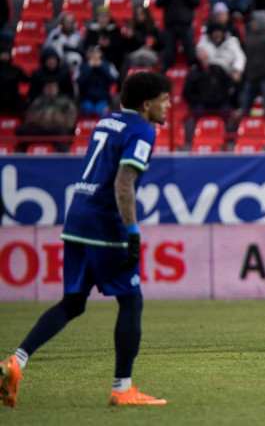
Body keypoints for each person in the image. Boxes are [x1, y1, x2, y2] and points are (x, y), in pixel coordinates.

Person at [0, 71, 171, 407]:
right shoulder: (143, 130)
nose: (168, 106)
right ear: (146, 104)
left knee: (73, 303)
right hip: (105, 224)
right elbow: (123, 183)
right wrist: (132, 233)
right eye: (164, 100)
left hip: (77, 218)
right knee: (131, 301)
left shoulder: (106, 122)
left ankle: (15, 362)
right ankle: (122, 389)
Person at [156, 0, 201, 70]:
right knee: (168, 54)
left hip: (186, 24)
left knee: (190, 52)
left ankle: (193, 74)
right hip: (170, 25)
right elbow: (158, 3)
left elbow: (197, 2)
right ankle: (167, 75)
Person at [16, 80, 77, 152]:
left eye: (53, 87)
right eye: (48, 87)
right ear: (44, 89)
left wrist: (56, 119)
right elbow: (29, 117)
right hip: (39, 128)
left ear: (57, 88)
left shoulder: (65, 101)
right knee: (21, 130)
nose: (51, 89)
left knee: (62, 131)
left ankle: (63, 156)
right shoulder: (38, 101)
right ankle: (22, 155)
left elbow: (71, 118)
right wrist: (41, 119)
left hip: (56, 128)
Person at [183, 47, 234, 112]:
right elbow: (187, 92)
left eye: (205, 55)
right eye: (202, 55)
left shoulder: (218, 69)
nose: (205, 57)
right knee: (198, 109)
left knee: (226, 109)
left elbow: (228, 83)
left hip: (220, 102)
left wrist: (225, 97)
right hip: (202, 104)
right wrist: (197, 100)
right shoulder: (193, 74)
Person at [76, 46, 118, 115]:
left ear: (100, 54)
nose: (94, 55)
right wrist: (88, 67)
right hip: (86, 98)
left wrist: (101, 67)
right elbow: (79, 81)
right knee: (87, 108)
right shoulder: (82, 66)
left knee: (100, 109)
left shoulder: (108, 65)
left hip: (103, 99)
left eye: (96, 53)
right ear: (88, 54)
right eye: (92, 53)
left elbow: (113, 80)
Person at [84, 6, 125, 72]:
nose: (103, 19)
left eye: (105, 16)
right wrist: (97, 44)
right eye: (101, 16)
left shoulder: (114, 29)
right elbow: (87, 45)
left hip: (111, 58)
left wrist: (109, 44)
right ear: (97, 17)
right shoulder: (92, 30)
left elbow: (120, 46)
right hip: (94, 58)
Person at [0, 43, 30, 112]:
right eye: (3, 54)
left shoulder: (16, 69)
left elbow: (27, 80)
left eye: (7, 54)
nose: (5, 57)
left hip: (13, 100)